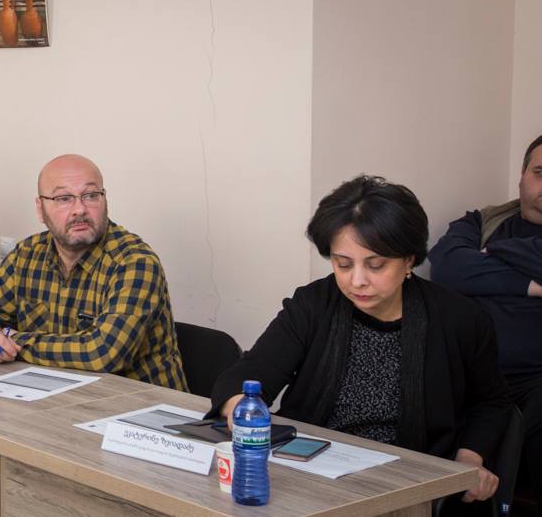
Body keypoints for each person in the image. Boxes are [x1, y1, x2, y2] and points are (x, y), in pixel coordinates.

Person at [211, 175, 509, 511]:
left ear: (409, 260)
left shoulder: (460, 318)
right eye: (343, 264)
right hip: (310, 471)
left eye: (375, 265)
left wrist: (468, 461)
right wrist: (241, 410)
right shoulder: (313, 305)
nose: (357, 281)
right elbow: (246, 376)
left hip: (407, 484)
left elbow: (491, 403)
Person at [0, 155, 187, 389]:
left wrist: (13, 340)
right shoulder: (27, 254)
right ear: (40, 209)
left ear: (105, 200)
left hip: (139, 404)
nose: (80, 209)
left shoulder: (135, 262)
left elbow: (103, 353)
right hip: (61, 395)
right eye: (64, 198)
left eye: (91, 196)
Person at [430, 133, 542, 504]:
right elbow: (448, 267)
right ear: (521, 176)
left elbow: (467, 267)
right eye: (540, 173)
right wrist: (531, 284)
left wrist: (493, 254)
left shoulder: (486, 239)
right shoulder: (485, 222)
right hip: (470, 371)